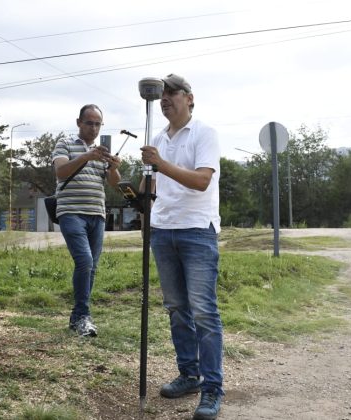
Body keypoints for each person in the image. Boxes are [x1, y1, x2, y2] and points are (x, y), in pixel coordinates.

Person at [140, 74, 224, 420]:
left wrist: (160, 163)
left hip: (197, 232)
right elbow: (151, 188)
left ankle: (212, 389)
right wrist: (125, 181)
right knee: (177, 309)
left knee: (204, 312)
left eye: (172, 92)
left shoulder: (204, 133)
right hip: (163, 231)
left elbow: (202, 181)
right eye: (161, 94)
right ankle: (189, 374)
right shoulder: (157, 138)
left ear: (189, 98)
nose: (165, 98)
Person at [52, 104, 121, 337]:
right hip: (71, 211)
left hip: (97, 214)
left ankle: (77, 316)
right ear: (79, 123)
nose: (93, 128)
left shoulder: (102, 152)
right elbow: (61, 172)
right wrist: (87, 156)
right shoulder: (64, 144)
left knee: (91, 267)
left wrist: (113, 167)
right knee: (85, 261)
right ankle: (83, 316)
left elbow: (113, 183)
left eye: (97, 124)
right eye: (89, 123)